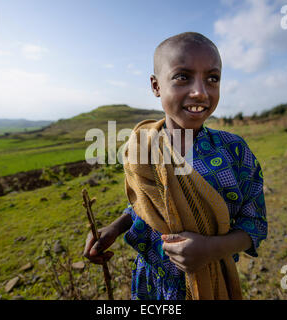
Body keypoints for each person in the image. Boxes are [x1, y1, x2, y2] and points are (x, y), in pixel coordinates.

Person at [83, 32, 267, 300]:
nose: (200, 92)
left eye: (212, 79)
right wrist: (114, 228)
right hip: (150, 285)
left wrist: (210, 249)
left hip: (211, 281)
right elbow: (147, 205)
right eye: (183, 76)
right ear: (156, 86)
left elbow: (256, 224)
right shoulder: (142, 147)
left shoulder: (234, 151)